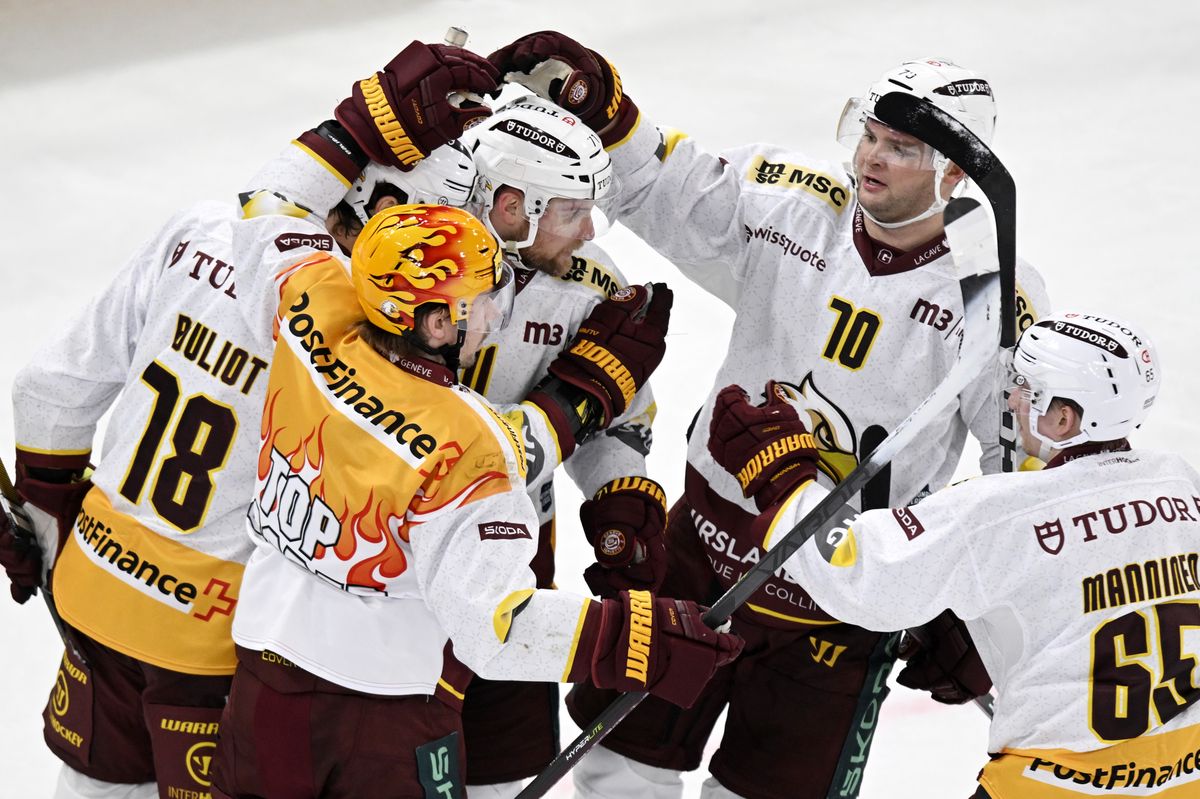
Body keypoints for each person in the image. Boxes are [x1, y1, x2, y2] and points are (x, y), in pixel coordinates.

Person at [486, 34, 1051, 799]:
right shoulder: (792, 203)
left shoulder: (990, 294)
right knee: (622, 769)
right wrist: (610, 114)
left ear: (955, 171)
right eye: (871, 136)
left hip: (844, 602)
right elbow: (663, 186)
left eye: (902, 148)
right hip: (702, 546)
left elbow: (1017, 471)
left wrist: (966, 598)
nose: (871, 159)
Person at [0, 40, 501, 799]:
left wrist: (45, 524)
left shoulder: (201, 228)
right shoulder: (360, 341)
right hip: (216, 638)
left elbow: (48, 390)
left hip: (95, 586)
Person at [210, 203, 742, 799]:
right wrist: (639, 641)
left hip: (259, 683)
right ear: (437, 324)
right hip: (381, 715)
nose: (496, 313)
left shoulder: (312, 306)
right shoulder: (473, 445)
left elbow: (268, 210)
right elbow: (493, 629)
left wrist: (358, 127)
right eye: (485, 298)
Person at [709, 310, 1199, 798]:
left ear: (1064, 418)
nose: (1010, 398)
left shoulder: (1000, 512)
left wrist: (783, 479)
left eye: (1026, 388)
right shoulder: (1183, 484)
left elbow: (863, 572)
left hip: (1055, 785)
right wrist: (987, 636)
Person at [457, 97, 670, 797]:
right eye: (572, 211)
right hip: (393, 562)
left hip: (518, 560)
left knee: (503, 776)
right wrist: (576, 401)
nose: (590, 231)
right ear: (513, 205)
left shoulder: (591, 284)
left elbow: (615, 421)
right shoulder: (408, 264)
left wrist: (620, 496)